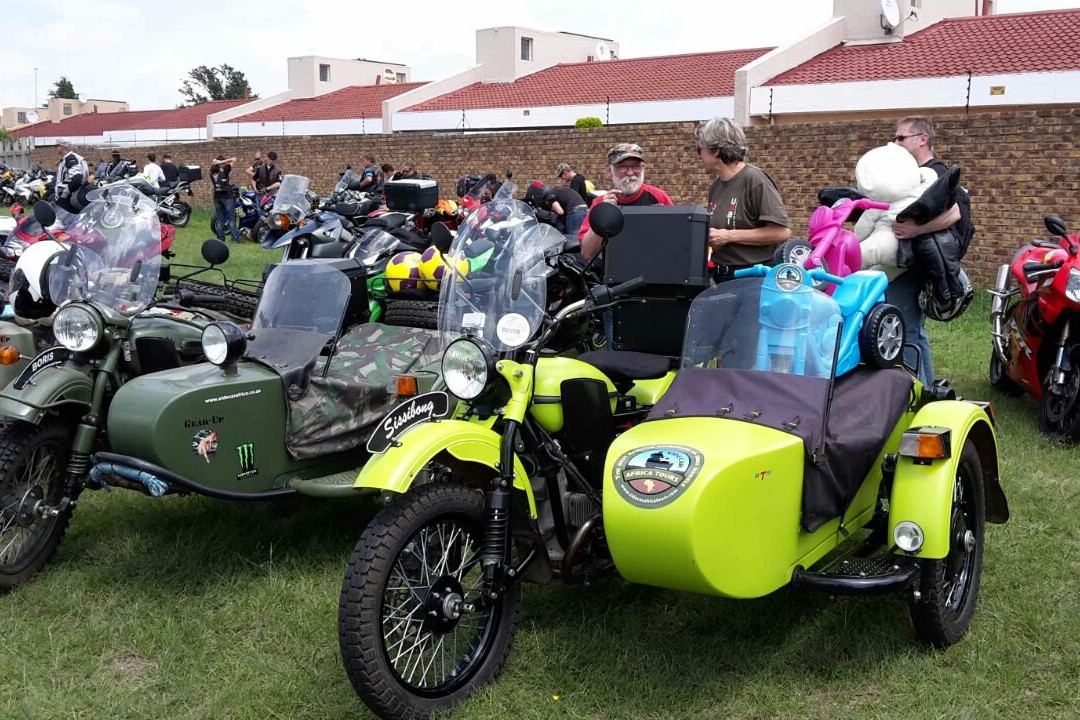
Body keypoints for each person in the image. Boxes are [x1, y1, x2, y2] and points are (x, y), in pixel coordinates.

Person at [889, 116, 969, 385]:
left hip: (917, 266)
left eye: (900, 138)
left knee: (906, 329)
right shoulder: (907, 175)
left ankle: (913, 393)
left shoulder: (936, 173)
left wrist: (916, 231)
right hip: (908, 263)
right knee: (914, 331)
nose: (894, 143)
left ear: (922, 139)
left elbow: (955, 213)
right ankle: (929, 390)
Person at [694, 117, 791, 281]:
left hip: (752, 277)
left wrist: (729, 236)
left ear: (716, 150)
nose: (699, 156)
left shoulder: (755, 180)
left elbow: (781, 232)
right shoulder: (716, 185)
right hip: (721, 277)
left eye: (699, 149)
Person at [579, 143, 674, 262]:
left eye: (636, 166)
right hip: (613, 275)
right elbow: (587, 254)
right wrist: (602, 217)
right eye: (622, 167)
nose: (630, 173)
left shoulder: (658, 197)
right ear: (609, 170)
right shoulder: (600, 204)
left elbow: (675, 241)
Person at [211, 155, 240, 243]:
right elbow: (234, 159)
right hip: (226, 196)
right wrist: (222, 162)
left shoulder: (212, 170)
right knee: (231, 218)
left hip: (217, 197)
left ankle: (221, 238)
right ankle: (235, 238)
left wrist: (217, 162)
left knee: (220, 218)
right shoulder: (225, 169)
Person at [53, 139, 88, 214]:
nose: (55, 148)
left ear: (62, 147)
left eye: (56, 146)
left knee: (66, 222)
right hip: (67, 196)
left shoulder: (70, 158)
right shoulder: (68, 158)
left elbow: (77, 178)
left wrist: (64, 194)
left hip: (67, 198)